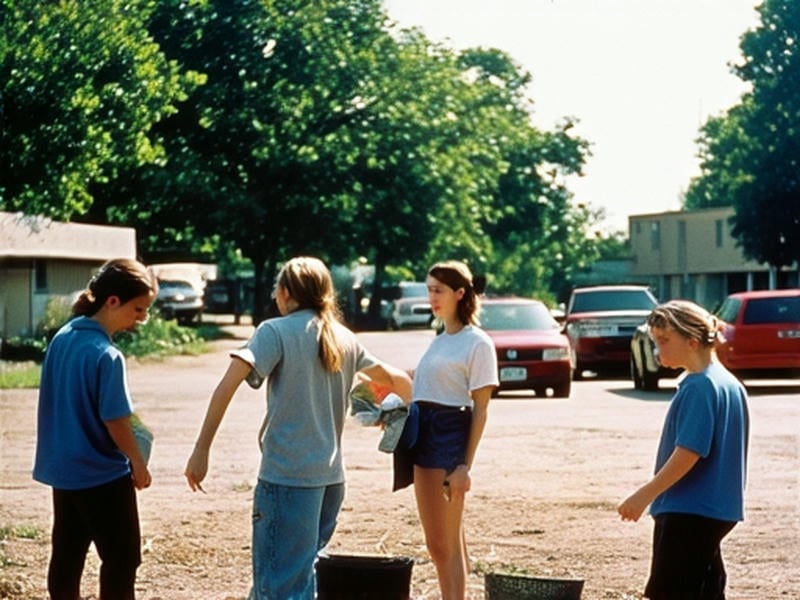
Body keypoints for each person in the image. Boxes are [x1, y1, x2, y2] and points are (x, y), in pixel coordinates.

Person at [184, 256, 412, 600]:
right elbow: (398, 381)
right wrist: (394, 418)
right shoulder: (344, 338)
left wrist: (201, 449)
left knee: (279, 585)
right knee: (297, 576)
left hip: (286, 478)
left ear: (286, 292)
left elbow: (225, 386)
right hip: (331, 482)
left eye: (277, 288)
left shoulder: (273, 331)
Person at [33, 258, 157, 600]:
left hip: (64, 471)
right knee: (122, 559)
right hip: (101, 474)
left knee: (67, 556)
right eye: (138, 309)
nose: (141, 319)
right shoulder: (107, 354)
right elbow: (115, 419)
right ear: (112, 301)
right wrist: (138, 463)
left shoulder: (63, 337)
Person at [618, 299, 749, 600]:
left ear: (692, 342)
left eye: (664, 341)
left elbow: (689, 452)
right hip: (716, 510)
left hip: (687, 511)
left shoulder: (700, 386)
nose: (657, 349)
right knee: (705, 590)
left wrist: (645, 494)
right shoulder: (729, 383)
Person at [407, 260, 498, 600]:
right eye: (429, 289)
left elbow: (482, 408)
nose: (432, 297)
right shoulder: (439, 339)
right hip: (422, 438)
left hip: (450, 440)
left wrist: (464, 465)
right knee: (440, 543)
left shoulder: (478, 343)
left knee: (443, 546)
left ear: (460, 293)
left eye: (439, 290)